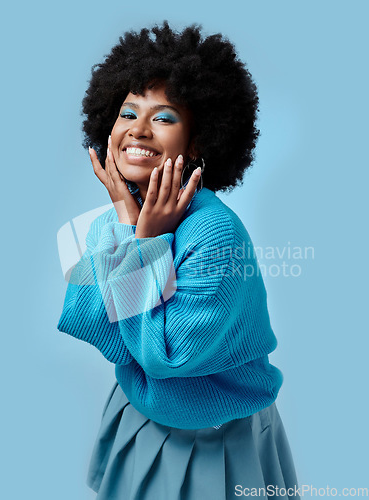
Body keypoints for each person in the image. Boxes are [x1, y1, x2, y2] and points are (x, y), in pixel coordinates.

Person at [57, 20, 300, 500]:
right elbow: (90, 320)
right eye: (128, 111)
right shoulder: (116, 219)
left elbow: (166, 357)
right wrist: (133, 229)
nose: (138, 130)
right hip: (141, 420)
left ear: (197, 144)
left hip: (220, 439)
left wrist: (143, 242)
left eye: (164, 117)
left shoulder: (215, 232)